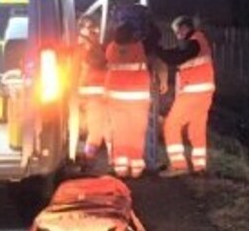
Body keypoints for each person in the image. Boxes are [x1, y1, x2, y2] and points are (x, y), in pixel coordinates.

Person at [154, 15, 216, 176]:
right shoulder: (198, 42)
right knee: (197, 129)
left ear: (184, 28)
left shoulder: (194, 42)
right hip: (204, 92)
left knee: (171, 125)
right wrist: (161, 51)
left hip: (193, 92)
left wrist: (157, 50)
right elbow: (176, 53)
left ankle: (178, 165)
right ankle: (200, 167)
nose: (177, 35)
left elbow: (176, 57)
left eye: (177, 32)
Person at [105, 22, 151, 178]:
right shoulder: (139, 47)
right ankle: (136, 167)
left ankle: (121, 168)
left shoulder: (111, 48)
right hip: (138, 98)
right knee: (137, 132)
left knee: (120, 132)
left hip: (116, 98)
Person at [76, 16, 108, 167]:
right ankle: (91, 156)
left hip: (92, 93)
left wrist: (77, 94)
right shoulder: (99, 46)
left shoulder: (86, 48)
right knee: (103, 128)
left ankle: (88, 158)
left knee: (96, 128)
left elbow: (83, 70)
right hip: (101, 92)